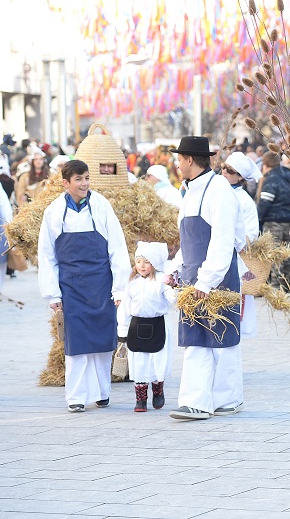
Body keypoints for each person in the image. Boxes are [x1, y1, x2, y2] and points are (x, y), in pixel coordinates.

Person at [38, 160, 131, 412]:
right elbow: (46, 256)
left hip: (101, 284)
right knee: (76, 344)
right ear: (65, 183)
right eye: (78, 179)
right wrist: (52, 294)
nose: (84, 184)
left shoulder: (101, 205)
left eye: (87, 178)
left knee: (103, 340)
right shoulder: (54, 212)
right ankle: (76, 397)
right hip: (71, 286)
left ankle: (102, 393)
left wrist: (119, 287)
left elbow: (118, 248)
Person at [168, 136, 245, 420]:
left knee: (222, 339)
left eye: (178, 159)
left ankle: (228, 399)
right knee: (195, 338)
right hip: (193, 278)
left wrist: (207, 280)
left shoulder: (219, 189)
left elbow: (224, 240)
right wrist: (174, 269)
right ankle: (196, 401)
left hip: (217, 278)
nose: (177, 164)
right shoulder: (189, 192)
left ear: (189, 160)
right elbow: (187, 240)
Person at [117, 241, 176, 412]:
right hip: (137, 325)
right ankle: (140, 399)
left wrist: (174, 286)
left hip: (157, 324)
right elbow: (125, 308)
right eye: (138, 261)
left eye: (146, 261)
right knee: (139, 362)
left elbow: (173, 299)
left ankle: (158, 390)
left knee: (158, 360)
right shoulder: (132, 283)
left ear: (155, 263)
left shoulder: (161, 281)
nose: (141, 265)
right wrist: (122, 331)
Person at [222, 152, 263, 339]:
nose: (224, 172)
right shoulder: (217, 192)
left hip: (235, 258)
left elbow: (251, 232)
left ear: (240, 177)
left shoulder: (244, 200)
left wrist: (235, 242)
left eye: (229, 170)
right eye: (223, 167)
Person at [257, 150, 290, 288]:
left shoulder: (271, 179)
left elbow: (265, 202)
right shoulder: (287, 175)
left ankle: (275, 285)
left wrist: (258, 218)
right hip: (287, 220)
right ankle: (287, 284)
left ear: (266, 164)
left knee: (274, 253)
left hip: (273, 221)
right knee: (286, 253)